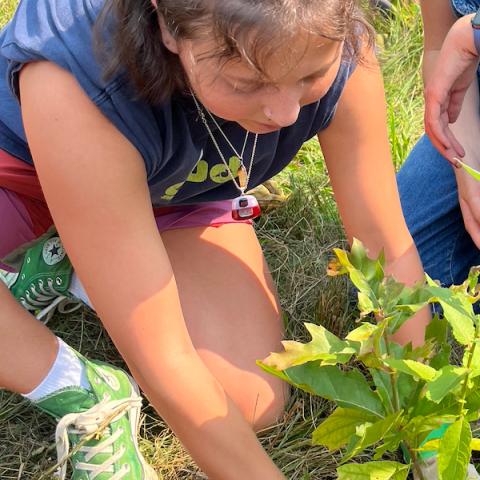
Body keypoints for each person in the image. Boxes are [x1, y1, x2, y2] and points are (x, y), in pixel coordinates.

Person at [0, 0, 429, 478]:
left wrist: (427, 425)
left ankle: (84, 266)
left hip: (182, 191)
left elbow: (383, 243)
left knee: (249, 402)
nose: (285, 112)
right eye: (247, 83)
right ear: (166, 25)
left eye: (311, 76)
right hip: (21, 173)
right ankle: (71, 382)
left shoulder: (337, 34)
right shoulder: (78, 77)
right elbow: (162, 355)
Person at [397, 2, 480, 479]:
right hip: (472, 96)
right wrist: (467, 169)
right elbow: (439, 44)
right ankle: (434, 439)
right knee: (401, 282)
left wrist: (474, 31)